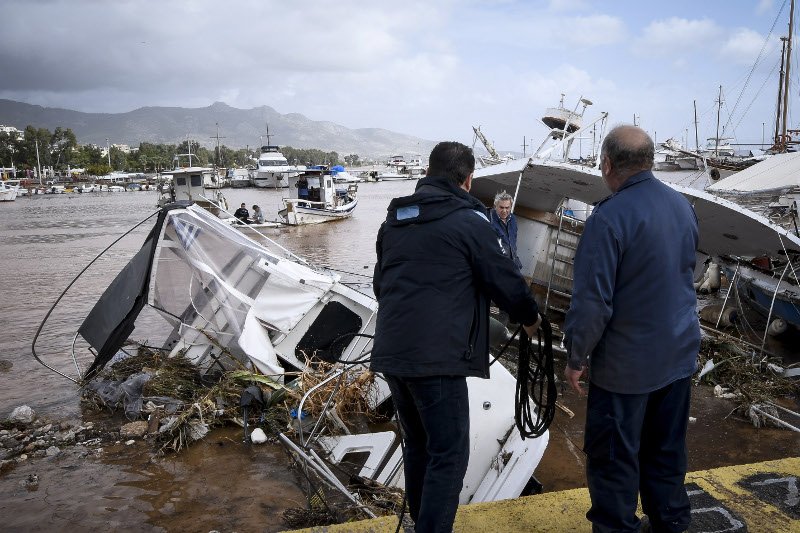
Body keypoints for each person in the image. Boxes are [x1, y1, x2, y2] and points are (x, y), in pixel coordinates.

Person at [371, 141, 542, 532]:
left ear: (427, 173)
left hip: (393, 353)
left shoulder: (394, 222)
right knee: (448, 455)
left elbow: (382, 286)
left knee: (419, 446)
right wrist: (529, 317)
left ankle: (422, 523)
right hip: (437, 359)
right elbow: (503, 278)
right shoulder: (470, 222)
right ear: (468, 180)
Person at [563, 125, 700, 533]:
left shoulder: (608, 218)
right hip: (678, 360)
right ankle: (671, 524)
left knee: (613, 461)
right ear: (650, 161)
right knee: (666, 453)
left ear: (607, 164)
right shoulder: (682, 206)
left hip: (625, 371)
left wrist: (576, 357)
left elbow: (592, 303)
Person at [489, 190, 522, 270]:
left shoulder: (513, 219)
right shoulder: (489, 219)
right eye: (501, 207)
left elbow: (513, 242)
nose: (504, 211)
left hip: (512, 263)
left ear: (510, 207)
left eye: (507, 208)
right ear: (495, 206)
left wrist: (515, 260)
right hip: (495, 264)